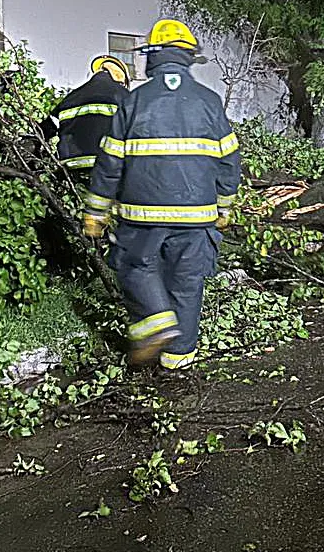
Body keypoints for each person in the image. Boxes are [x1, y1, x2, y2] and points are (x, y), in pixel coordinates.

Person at [81, 19, 241, 369]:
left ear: (152, 56)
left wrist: (95, 213)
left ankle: (157, 322)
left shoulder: (133, 101)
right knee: (187, 285)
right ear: (186, 57)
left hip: (143, 218)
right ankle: (177, 362)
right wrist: (224, 208)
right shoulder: (210, 102)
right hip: (198, 217)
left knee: (135, 267)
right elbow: (229, 160)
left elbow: (110, 164)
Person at [40, 55, 131, 180]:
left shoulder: (71, 97)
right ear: (120, 80)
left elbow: (46, 127)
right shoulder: (125, 97)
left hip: (72, 169)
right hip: (109, 167)